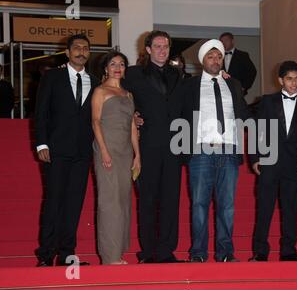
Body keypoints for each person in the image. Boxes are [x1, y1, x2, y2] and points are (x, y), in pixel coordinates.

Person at [179, 39, 251, 263]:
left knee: (227, 206)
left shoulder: (233, 84)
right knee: (199, 204)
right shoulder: (189, 85)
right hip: (201, 151)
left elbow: (244, 113)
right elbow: (178, 114)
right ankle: (198, 253)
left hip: (229, 150)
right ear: (202, 61)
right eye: (210, 57)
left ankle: (225, 253)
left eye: (218, 56)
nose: (215, 60)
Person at [34, 34, 100, 267]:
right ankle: (45, 254)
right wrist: (42, 143)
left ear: (89, 53)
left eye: (85, 48)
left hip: (82, 153)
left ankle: (66, 254)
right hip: (56, 150)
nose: (81, 51)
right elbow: (41, 112)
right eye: (77, 48)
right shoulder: (53, 77)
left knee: (74, 203)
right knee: (54, 201)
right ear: (68, 52)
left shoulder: (95, 81)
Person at [122, 31, 185, 264]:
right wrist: (132, 115)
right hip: (146, 145)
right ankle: (148, 252)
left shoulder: (178, 74)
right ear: (147, 49)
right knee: (147, 200)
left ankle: (167, 251)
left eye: (165, 46)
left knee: (171, 200)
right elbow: (118, 98)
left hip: (174, 148)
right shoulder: (133, 74)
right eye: (157, 46)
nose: (162, 50)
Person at [248, 61, 297, 262]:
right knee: (265, 209)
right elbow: (256, 128)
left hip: (294, 164)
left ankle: (289, 252)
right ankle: (260, 253)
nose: (294, 83)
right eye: (289, 79)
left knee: (290, 210)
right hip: (269, 162)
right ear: (280, 80)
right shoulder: (268, 101)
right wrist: (254, 158)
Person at [92, 51, 140, 265]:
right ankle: (109, 256)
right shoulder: (100, 92)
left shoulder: (128, 95)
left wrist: (137, 155)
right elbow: (95, 122)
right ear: (106, 68)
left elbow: (131, 126)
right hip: (107, 148)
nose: (118, 67)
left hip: (125, 152)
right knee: (109, 202)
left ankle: (118, 251)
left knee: (123, 202)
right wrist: (103, 150)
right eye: (113, 64)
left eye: (121, 64)